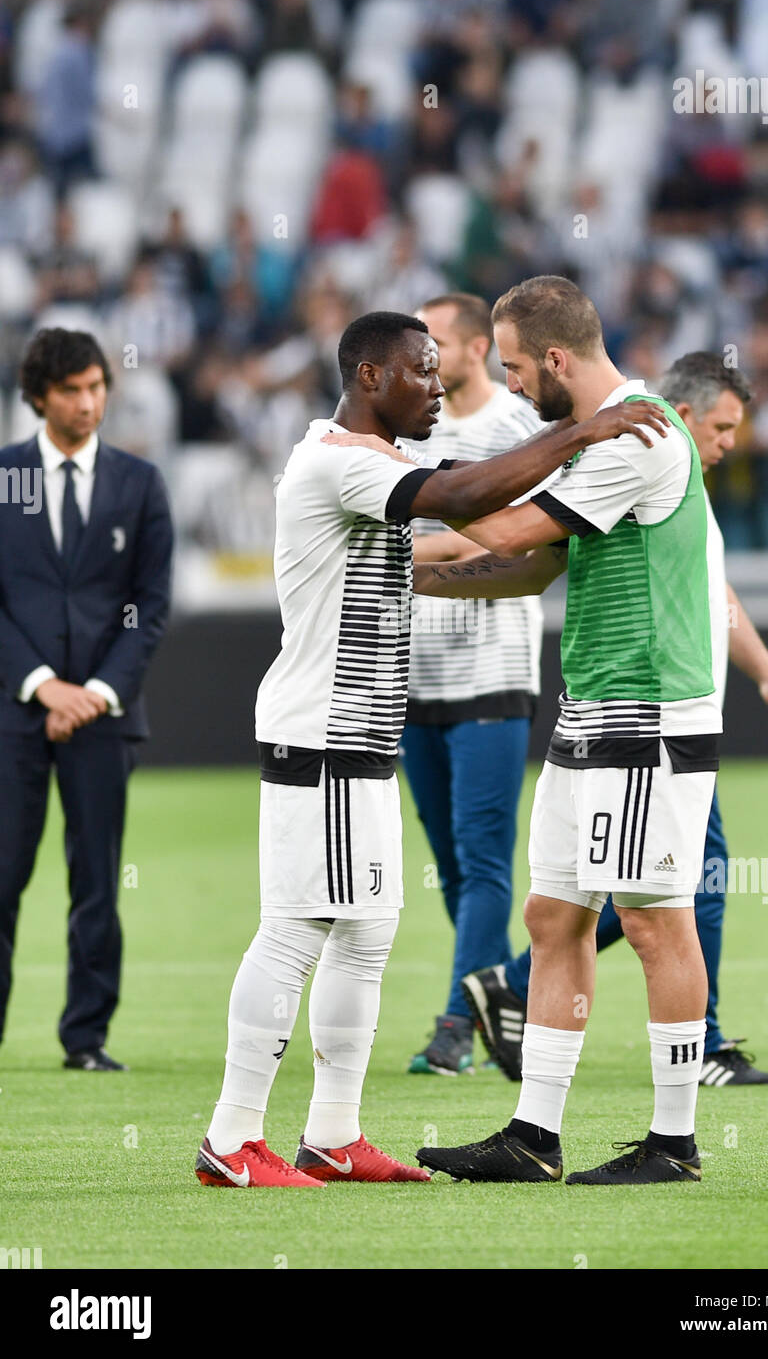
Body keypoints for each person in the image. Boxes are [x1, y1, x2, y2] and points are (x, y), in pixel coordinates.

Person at [195, 309, 668, 1188]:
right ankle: (230, 1140)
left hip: (366, 735)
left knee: (368, 932)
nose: (439, 387)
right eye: (422, 371)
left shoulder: (379, 461)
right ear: (370, 376)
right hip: (324, 730)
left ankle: (333, 1134)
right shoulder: (336, 460)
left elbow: (466, 498)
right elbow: (461, 498)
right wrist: (581, 430)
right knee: (295, 930)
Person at [412, 274, 723, 1185]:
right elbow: (528, 570)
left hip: (649, 704)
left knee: (653, 920)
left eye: (513, 368)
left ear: (553, 358)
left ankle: (674, 1143)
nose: (510, 387)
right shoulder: (594, 442)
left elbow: (504, 534)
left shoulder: (640, 430)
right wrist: (411, 579)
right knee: (553, 915)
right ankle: (533, 1134)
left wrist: (390, 526)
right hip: (593, 701)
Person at [465, 352, 768, 1087]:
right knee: (669, 893)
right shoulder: (648, 460)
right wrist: (413, 528)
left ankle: (518, 991)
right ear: (680, 416)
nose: (727, 443)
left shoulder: (685, 493)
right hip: (653, 715)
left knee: (642, 892)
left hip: (671, 716)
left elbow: (717, 599)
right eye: (720, 426)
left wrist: (767, 673)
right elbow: (516, 545)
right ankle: (697, 1052)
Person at [0, 328, 174, 1070]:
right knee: (3, 876)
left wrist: (93, 694)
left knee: (97, 880)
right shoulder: (6, 478)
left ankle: (86, 1039)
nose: (88, 401)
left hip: (104, 718)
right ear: (39, 395)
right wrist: (44, 687)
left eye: (98, 386)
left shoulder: (140, 482)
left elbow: (152, 604)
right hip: (13, 713)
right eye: (72, 389)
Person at [402, 293, 544, 1076]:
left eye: (436, 342)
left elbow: (511, 535)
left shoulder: (513, 431)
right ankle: (498, 1011)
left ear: (478, 347)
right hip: (411, 675)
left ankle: (459, 1021)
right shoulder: (402, 424)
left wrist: (411, 551)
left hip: (491, 671)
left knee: (483, 857)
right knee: (451, 862)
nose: (423, 356)